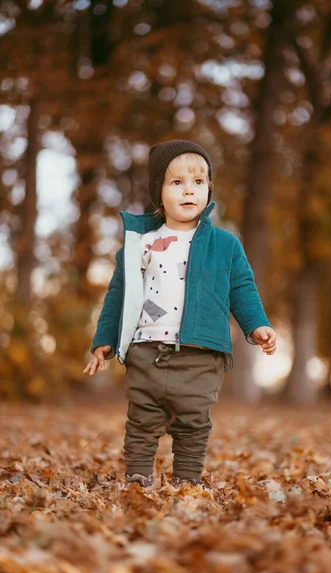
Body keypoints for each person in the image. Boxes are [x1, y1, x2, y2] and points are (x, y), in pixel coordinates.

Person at [83, 139, 277, 489]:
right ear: (159, 192)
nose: (189, 191)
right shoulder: (140, 243)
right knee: (142, 418)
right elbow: (118, 294)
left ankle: (187, 480)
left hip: (201, 352)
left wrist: (257, 325)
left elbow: (242, 288)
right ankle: (139, 479)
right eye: (177, 183)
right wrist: (104, 341)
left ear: (208, 189)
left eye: (198, 183)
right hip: (146, 349)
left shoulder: (225, 244)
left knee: (193, 420)